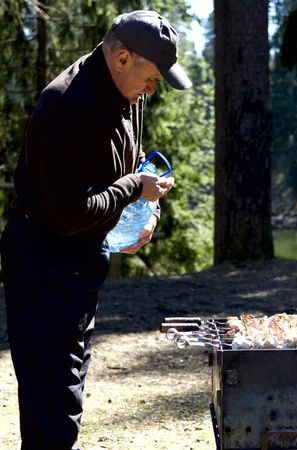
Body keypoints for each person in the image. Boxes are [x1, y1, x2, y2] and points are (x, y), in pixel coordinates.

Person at [0, 10, 191, 449]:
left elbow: (126, 163)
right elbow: (69, 212)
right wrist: (132, 189)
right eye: (152, 77)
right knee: (54, 404)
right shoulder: (68, 105)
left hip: (80, 261)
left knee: (66, 393)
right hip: (44, 261)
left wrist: (147, 211)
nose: (153, 88)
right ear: (123, 57)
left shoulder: (129, 92)